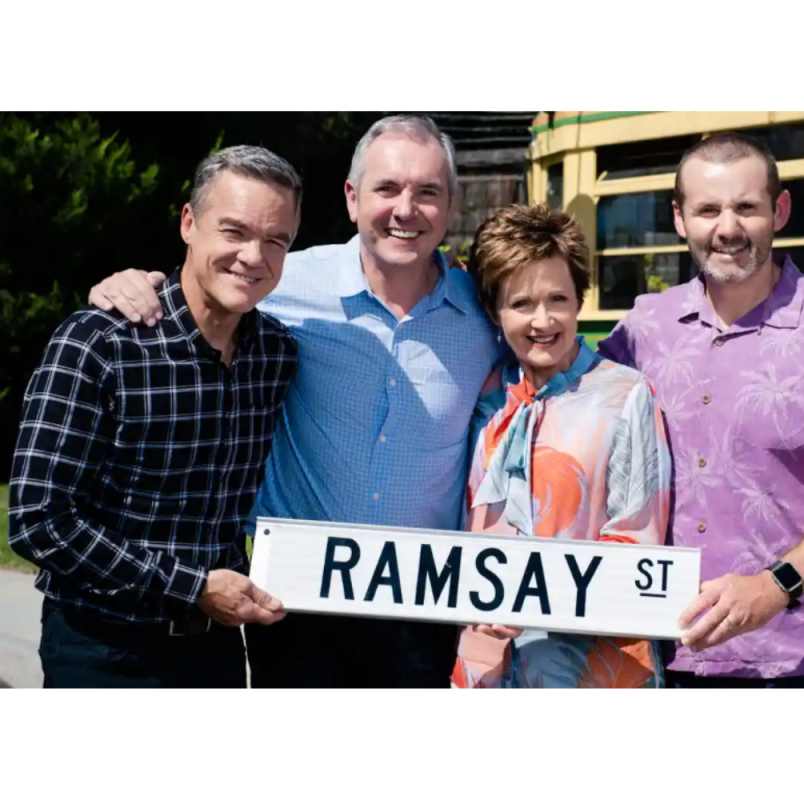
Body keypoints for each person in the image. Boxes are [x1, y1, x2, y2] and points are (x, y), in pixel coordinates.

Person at [87, 115, 505, 688]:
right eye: (387, 189)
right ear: (353, 198)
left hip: (422, 612)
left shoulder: (487, 316)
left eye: (427, 192)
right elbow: (207, 278)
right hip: (295, 607)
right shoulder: (281, 282)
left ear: (451, 206)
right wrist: (129, 284)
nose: (406, 209)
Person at [597, 132, 804, 687]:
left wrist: (775, 586)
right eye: (708, 210)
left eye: (747, 207)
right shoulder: (642, 331)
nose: (727, 229)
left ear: (780, 210)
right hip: (664, 652)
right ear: (679, 219)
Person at [7, 145, 302, 688]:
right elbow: (37, 520)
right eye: (233, 231)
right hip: (101, 649)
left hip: (215, 653)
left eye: (276, 240)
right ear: (189, 222)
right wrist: (191, 587)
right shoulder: (100, 342)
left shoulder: (277, 355)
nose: (254, 256)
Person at [448, 204, 672, 688]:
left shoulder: (626, 394)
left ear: (579, 301)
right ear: (494, 311)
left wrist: (531, 603)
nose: (542, 320)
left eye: (558, 299)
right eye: (521, 304)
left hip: (587, 665)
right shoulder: (484, 396)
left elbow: (636, 540)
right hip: (485, 661)